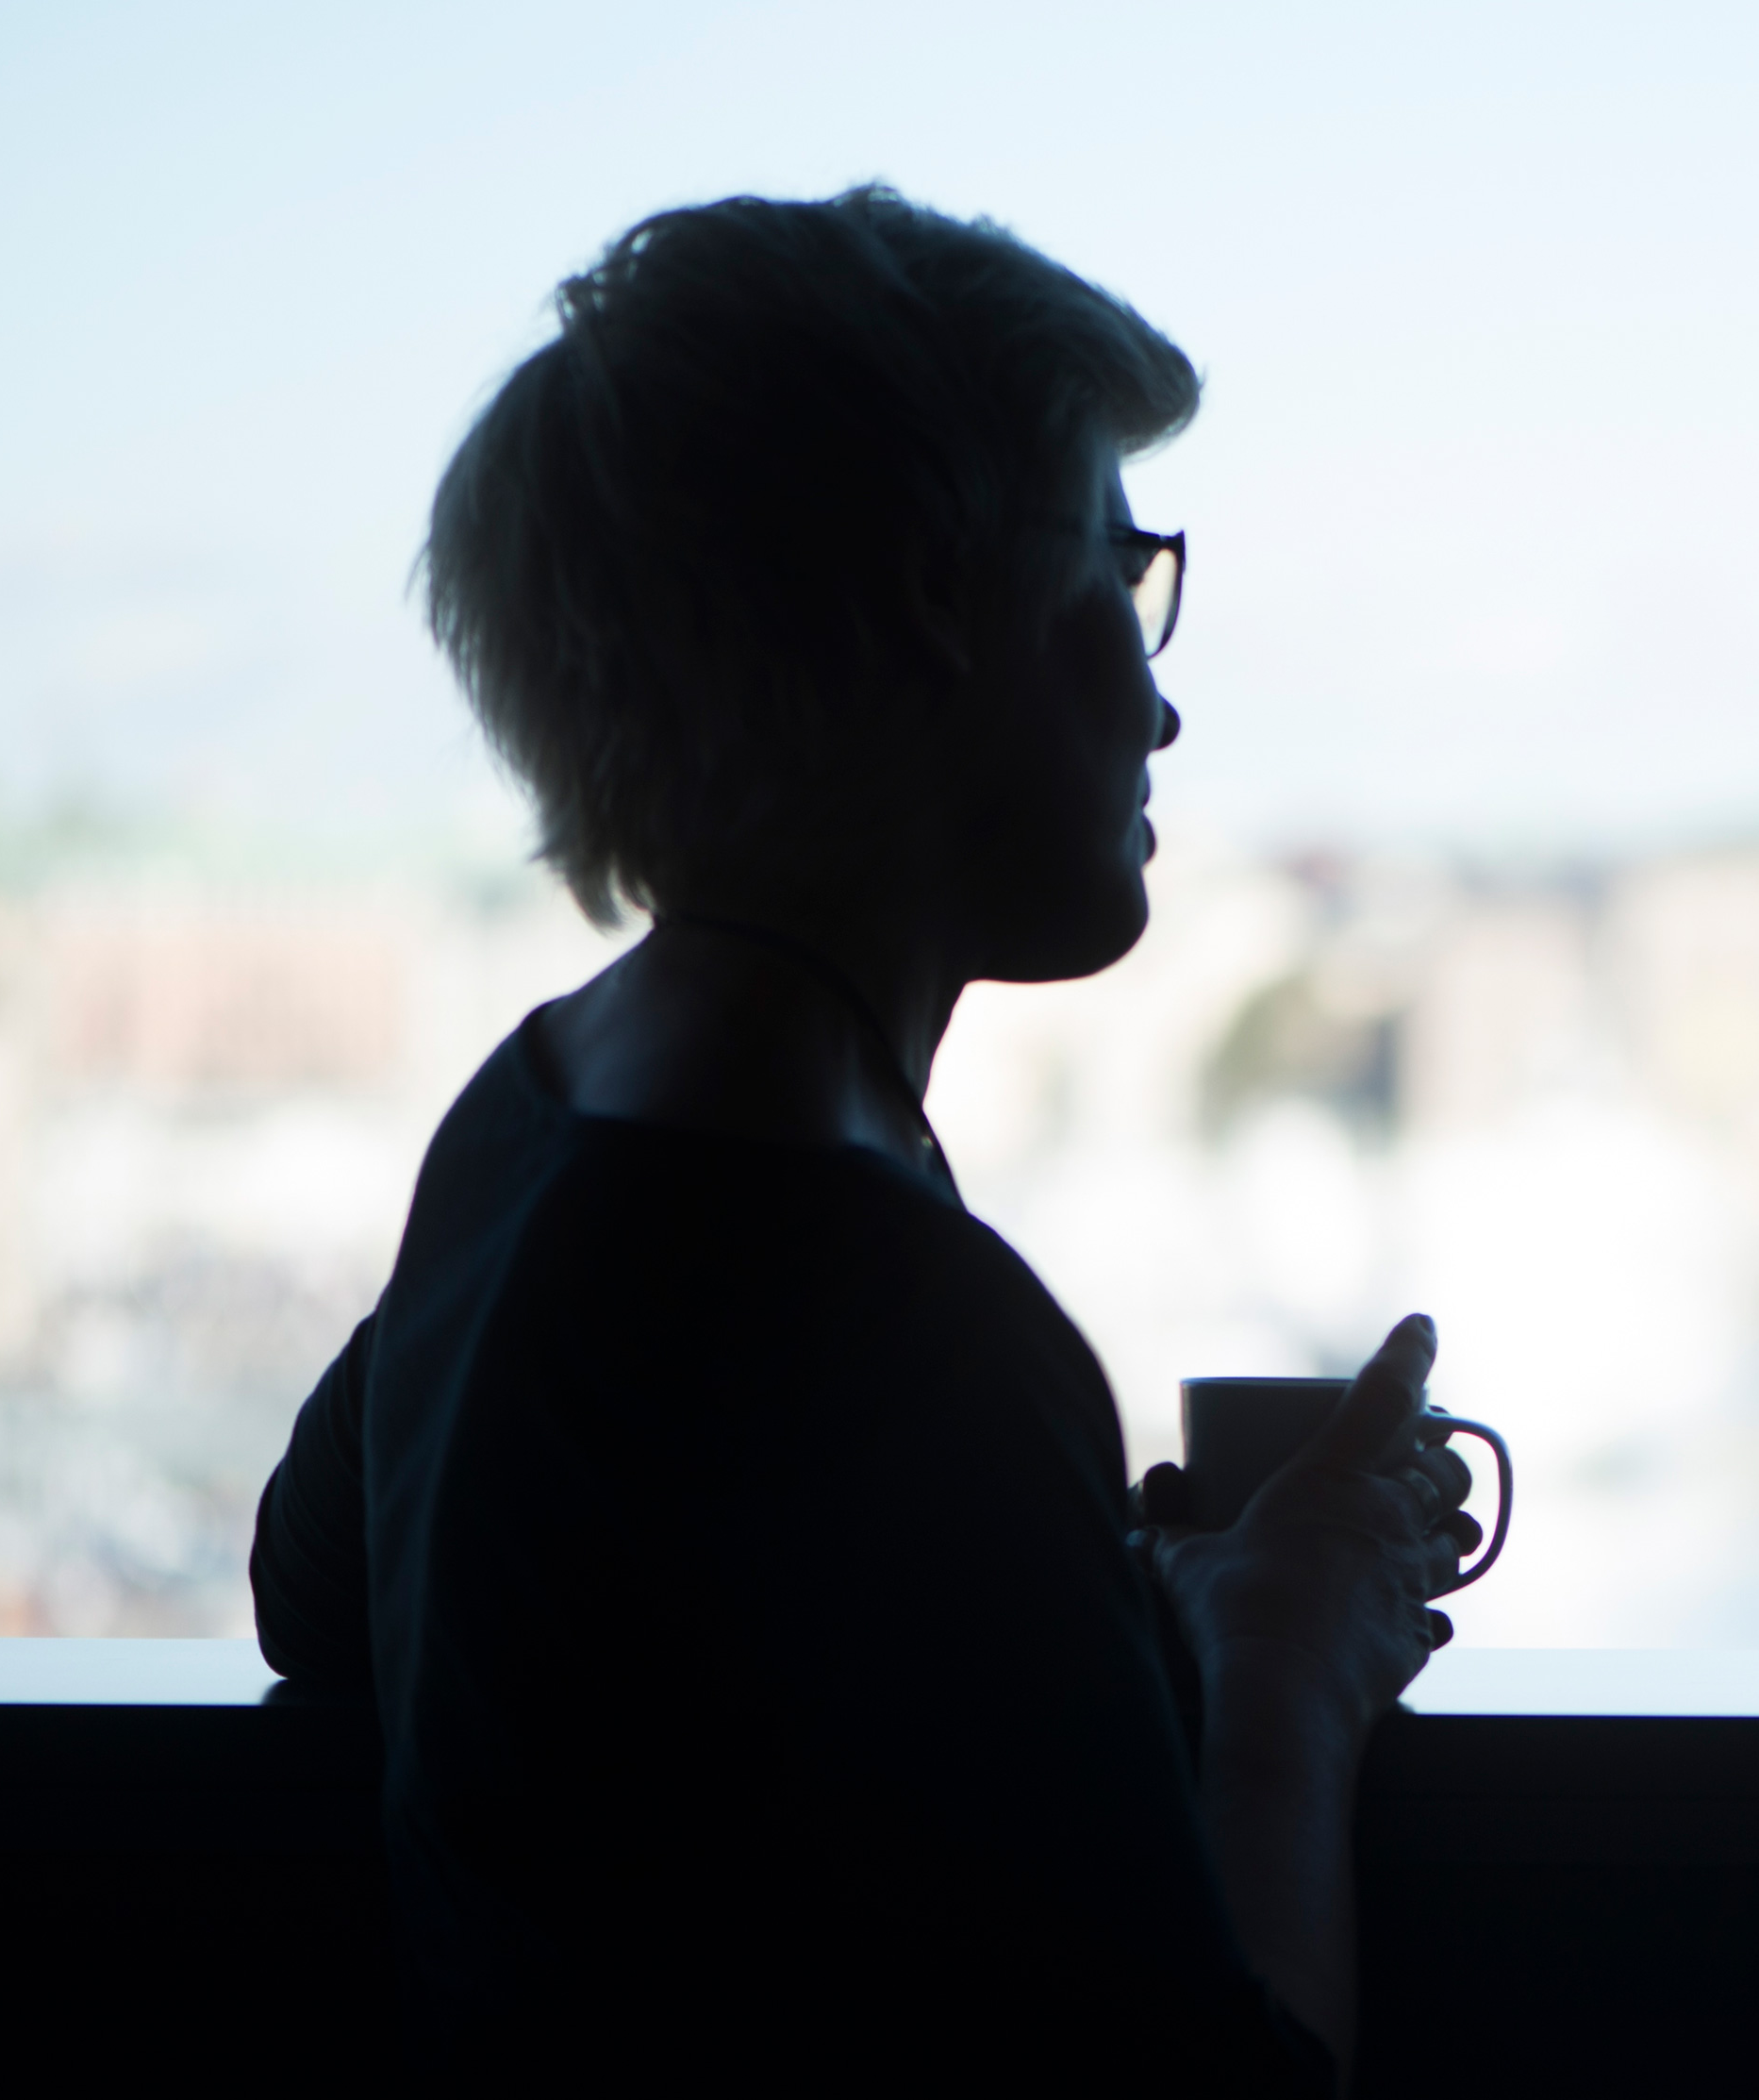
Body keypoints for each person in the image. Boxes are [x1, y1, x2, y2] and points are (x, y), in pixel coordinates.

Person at [248, 187, 1475, 2089]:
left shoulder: (531, 1113)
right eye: (1115, 566)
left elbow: (327, 1592)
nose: (1161, 705)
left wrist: (1056, 1616)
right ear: (934, 602)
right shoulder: (888, 1308)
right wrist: (1288, 1663)